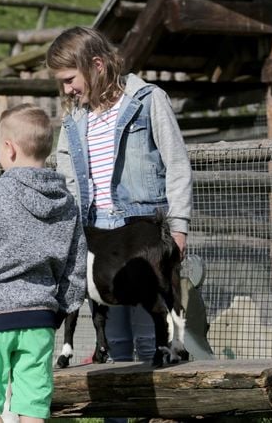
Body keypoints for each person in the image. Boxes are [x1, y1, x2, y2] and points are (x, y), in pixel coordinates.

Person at [45, 26, 193, 365]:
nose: (66, 89)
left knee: (153, 333)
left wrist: (179, 228)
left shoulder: (147, 101)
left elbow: (177, 164)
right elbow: (66, 179)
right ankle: (118, 416)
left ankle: (156, 414)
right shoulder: (75, 120)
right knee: (113, 341)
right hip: (96, 237)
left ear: (97, 65)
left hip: (141, 235)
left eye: (70, 79)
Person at [0, 104, 87, 423]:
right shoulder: (67, 203)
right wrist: (58, 310)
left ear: (9, 149)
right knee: (31, 403)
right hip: (39, 321)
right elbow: (76, 267)